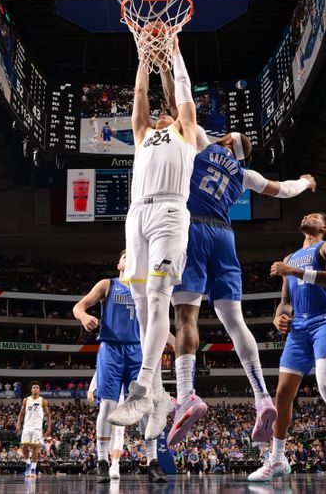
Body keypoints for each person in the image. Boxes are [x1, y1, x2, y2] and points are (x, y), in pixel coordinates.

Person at [166, 101, 317, 445]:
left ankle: (187, 394)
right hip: (225, 236)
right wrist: (306, 181)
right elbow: (285, 189)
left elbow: (179, 105)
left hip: (194, 230)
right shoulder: (246, 175)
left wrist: (167, 63)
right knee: (235, 321)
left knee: (186, 316)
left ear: (227, 142)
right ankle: (262, 396)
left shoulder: (203, 144)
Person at [109, 35, 198, 442]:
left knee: (161, 296)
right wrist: (144, 56)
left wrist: (174, 52)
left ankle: (143, 388)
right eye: (159, 115)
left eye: (170, 114)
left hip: (169, 212)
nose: (162, 116)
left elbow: (183, 94)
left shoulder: (186, 133)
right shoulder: (143, 133)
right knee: (143, 311)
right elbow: (141, 94)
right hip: (137, 214)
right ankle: (161, 396)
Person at [248, 213, 326, 484]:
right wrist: (278, 316)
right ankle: (278, 459)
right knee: (282, 394)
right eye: (305, 214)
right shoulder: (291, 257)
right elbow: (285, 300)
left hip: (325, 322)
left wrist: (291, 271)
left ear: (324, 227)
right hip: (298, 329)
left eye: (314, 215)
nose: (306, 215)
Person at [73, 250, 166, 483]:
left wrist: (172, 341)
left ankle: (153, 462)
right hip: (111, 350)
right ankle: (102, 462)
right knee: (107, 407)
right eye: (126, 256)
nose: (131, 257)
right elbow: (78, 307)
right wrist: (84, 317)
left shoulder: (146, 287)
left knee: (146, 407)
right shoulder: (107, 284)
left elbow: (158, 321)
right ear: (119, 264)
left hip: (139, 351)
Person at [17, 382, 51, 478]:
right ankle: (28, 463)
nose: (35, 389)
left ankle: (33, 468)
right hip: (27, 426)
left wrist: (48, 428)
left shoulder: (43, 401)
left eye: (37, 388)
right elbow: (21, 413)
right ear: (31, 390)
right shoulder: (26, 400)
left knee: (35, 448)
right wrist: (18, 423)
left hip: (37, 427)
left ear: (39, 390)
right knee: (24, 446)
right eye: (34, 387)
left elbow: (48, 415)